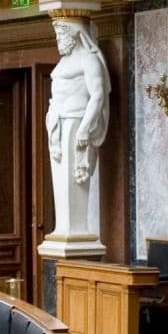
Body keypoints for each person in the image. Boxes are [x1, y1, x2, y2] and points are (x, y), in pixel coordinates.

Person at [45, 16, 110, 245]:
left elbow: (98, 95)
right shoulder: (64, 62)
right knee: (60, 180)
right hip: (58, 122)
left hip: (75, 121)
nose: (58, 40)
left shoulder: (89, 59)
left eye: (61, 35)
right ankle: (63, 227)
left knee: (74, 176)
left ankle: (75, 229)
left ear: (74, 34)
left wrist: (85, 127)